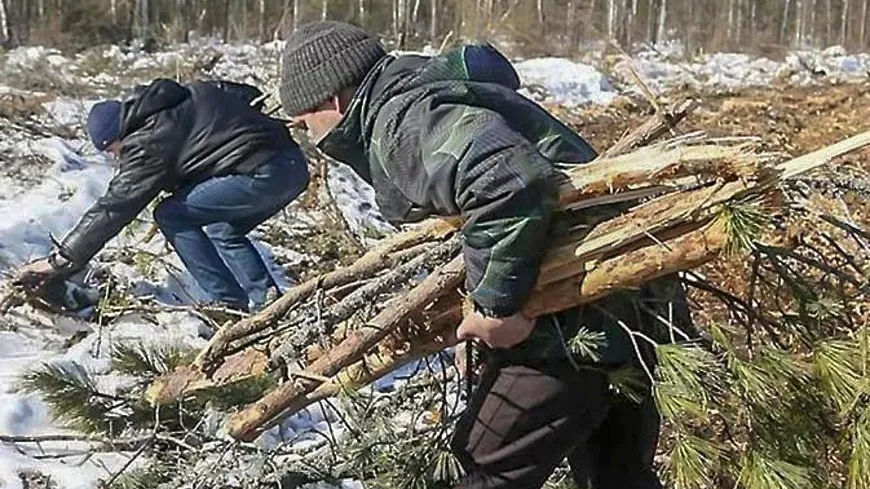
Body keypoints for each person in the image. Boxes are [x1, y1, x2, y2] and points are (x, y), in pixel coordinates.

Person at [279, 21, 695, 489]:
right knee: (617, 475)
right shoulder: (431, 93)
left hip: (568, 321)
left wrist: (495, 306)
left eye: (302, 124)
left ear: (330, 103)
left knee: (479, 472)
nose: (310, 138)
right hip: (627, 300)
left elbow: (507, 180)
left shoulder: (401, 124)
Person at [14, 79, 309, 312]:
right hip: (292, 166)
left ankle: (227, 304)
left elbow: (114, 208)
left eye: (112, 150)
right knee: (222, 227)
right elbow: (247, 94)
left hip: (262, 175)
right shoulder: (186, 93)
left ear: (118, 136)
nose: (116, 157)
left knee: (171, 214)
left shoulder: (147, 143)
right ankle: (269, 301)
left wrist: (61, 260)